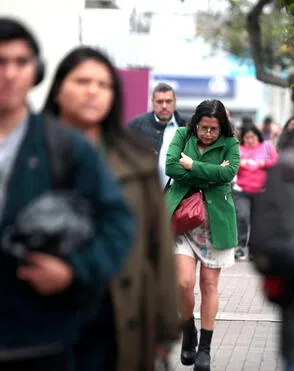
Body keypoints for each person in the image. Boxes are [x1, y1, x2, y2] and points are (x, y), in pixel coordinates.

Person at [0, 18, 135, 370]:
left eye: (20, 62)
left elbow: (118, 224)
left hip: (38, 340)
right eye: (0, 62)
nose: (10, 74)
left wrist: (74, 271)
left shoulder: (62, 146)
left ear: (36, 71)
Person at [43, 46, 180, 371]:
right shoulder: (33, 152)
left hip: (119, 313)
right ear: (59, 88)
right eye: (82, 81)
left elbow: (157, 246)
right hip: (44, 314)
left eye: (103, 84)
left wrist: (164, 328)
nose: (93, 91)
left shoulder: (135, 158)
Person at [165, 99, 240, 371]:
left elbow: (228, 174)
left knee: (209, 285)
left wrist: (191, 166)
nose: (208, 134)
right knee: (184, 284)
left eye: (214, 130)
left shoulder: (231, 145)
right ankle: (189, 331)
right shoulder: (181, 135)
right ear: (195, 123)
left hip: (215, 224)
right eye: (204, 128)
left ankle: (204, 349)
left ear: (223, 129)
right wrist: (210, 173)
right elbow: (170, 167)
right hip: (181, 221)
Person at [128, 82, 189, 186]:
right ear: (152, 102)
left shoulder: (188, 124)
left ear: (175, 102)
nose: (164, 106)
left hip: (179, 192)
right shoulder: (137, 124)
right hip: (147, 190)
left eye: (168, 101)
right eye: (160, 102)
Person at [233, 123, 279, 260]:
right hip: (242, 190)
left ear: (257, 136)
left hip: (261, 190)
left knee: (257, 221)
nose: (249, 140)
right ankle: (240, 246)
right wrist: (240, 164)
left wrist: (263, 163)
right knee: (243, 217)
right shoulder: (238, 149)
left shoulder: (266, 147)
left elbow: (276, 162)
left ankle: (254, 249)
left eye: (252, 137)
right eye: (246, 138)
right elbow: (230, 165)